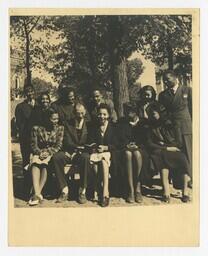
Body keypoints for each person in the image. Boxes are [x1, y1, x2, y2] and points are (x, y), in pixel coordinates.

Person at [145, 102, 191, 203]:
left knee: (182, 159)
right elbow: (149, 144)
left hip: (174, 149)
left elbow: (178, 142)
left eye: (153, 114)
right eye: (149, 114)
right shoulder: (150, 126)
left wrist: (166, 145)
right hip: (162, 151)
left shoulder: (172, 124)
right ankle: (166, 191)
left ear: (159, 113)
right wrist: (166, 148)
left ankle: (185, 191)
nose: (151, 117)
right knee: (161, 159)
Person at [51, 103, 91, 204]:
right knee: (57, 157)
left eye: (82, 113)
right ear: (74, 113)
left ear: (85, 112)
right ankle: (64, 190)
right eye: (78, 113)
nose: (80, 115)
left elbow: (90, 141)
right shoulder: (68, 124)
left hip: (82, 153)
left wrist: (79, 150)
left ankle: (82, 191)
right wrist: (72, 150)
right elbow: (67, 141)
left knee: (86, 157)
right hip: (69, 152)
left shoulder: (89, 124)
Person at [159, 70, 192, 183]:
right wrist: (167, 121)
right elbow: (162, 111)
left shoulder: (187, 90)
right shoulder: (163, 95)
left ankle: (191, 178)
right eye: (164, 80)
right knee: (176, 153)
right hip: (172, 128)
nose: (166, 81)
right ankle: (178, 180)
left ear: (175, 77)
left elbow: (194, 109)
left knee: (188, 152)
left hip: (185, 126)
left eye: (168, 78)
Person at [28, 108, 64, 206]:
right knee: (35, 162)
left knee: (45, 164)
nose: (55, 121)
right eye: (53, 119)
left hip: (50, 153)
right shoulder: (36, 128)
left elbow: (58, 145)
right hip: (38, 152)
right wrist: (39, 152)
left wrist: (48, 152)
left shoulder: (60, 128)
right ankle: (38, 194)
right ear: (47, 119)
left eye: (57, 119)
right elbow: (33, 145)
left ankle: (36, 193)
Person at [117, 102, 149, 203]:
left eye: (130, 111)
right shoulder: (122, 122)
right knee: (128, 154)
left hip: (141, 148)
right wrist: (126, 145)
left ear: (135, 112)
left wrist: (138, 145)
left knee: (137, 154)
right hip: (125, 148)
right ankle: (130, 190)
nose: (127, 113)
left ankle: (138, 188)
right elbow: (119, 138)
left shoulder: (143, 122)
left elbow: (146, 139)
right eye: (126, 111)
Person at [88, 103, 117, 207]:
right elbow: (90, 141)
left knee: (104, 161)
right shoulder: (94, 126)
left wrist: (106, 147)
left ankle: (105, 192)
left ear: (108, 115)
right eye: (100, 114)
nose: (102, 116)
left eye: (104, 114)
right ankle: (98, 188)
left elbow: (117, 144)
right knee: (94, 164)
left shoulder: (113, 126)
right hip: (96, 152)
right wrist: (96, 147)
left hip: (109, 153)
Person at [15, 85, 36, 199]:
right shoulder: (20, 107)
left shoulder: (38, 105)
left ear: (34, 92)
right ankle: (27, 188)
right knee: (26, 163)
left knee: (38, 162)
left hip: (38, 140)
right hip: (26, 139)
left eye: (32, 91)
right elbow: (20, 125)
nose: (30, 93)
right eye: (28, 92)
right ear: (25, 93)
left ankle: (38, 188)